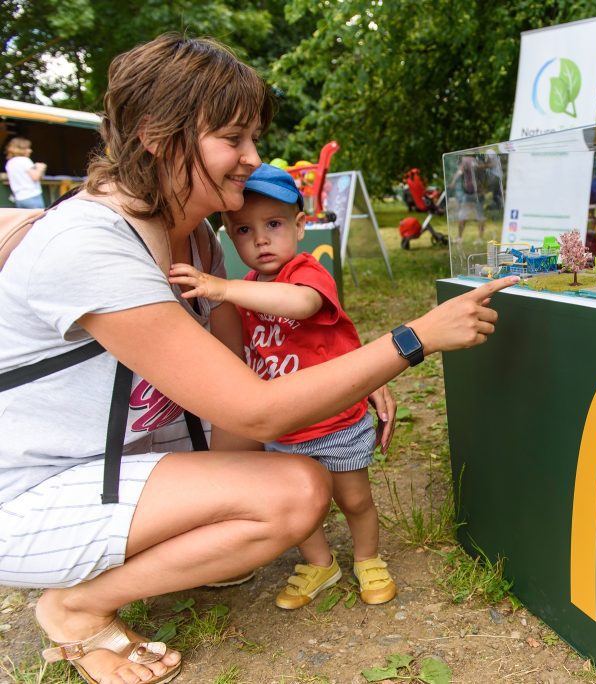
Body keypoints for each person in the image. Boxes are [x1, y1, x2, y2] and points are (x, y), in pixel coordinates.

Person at [0, 34, 516, 684]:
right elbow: (258, 410)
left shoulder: (201, 243)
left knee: (262, 501)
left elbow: (245, 369)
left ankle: (144, 554)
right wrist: (411, 341)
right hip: (28, 495)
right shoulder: (91, 243)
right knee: (295, 492)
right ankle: (75, 607)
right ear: (159, 135)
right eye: (234, 139)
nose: (254, 158)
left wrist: (350, 375)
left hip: (122, 459)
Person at [168, 163, 398, 609]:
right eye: (243, 230)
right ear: (229, 237)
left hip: (334, 420)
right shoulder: (250, 286)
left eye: (273, 225)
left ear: (300, 225)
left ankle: (368, 557)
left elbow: (302, 304)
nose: (260, 240)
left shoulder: (306, 273)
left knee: (354, 498)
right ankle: (320, 563)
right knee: (301, 508)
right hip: (286, 423)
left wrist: (225, 288)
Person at [4, 137, 47, 209]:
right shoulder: (25, 160)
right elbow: (35, 177)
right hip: (32, 196)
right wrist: (40, 168)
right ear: (21, 149)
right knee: (39, 219)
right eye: (28, 148)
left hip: (19, 198)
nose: (30, 150)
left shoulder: (9, 163)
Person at [451, 155, 485, 243]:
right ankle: (479, 238)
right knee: (479, 216)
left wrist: (453, 182)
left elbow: (460, 171)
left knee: (463, 215)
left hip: (471, 193)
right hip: (477, 193)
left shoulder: (465, 159)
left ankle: (459, 237)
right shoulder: (477, 160)